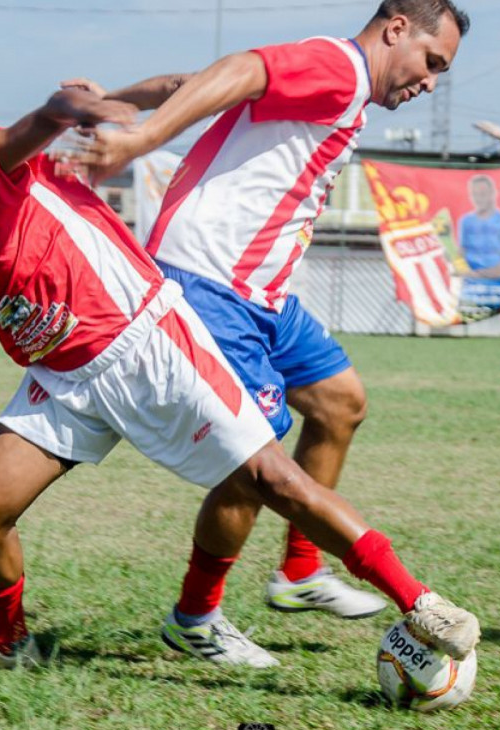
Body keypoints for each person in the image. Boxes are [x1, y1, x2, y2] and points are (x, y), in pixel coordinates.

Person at [0, 84, 480, 670]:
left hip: (147, 341)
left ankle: (421, 603)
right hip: (64, 379)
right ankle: (9, 647)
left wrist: (84, 105)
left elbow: (45, 116)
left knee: (272, 480)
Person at [77, 0, 471, 663]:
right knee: (254, 463)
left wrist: (111, 100)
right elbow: (239, 67)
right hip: (211, 283)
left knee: (340, 403)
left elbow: (192, 84)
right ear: (396, 28)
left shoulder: (339, 89)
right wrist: (140, 140)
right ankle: (194, 617)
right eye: (432, 62)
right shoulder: (341, 68)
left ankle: (297, 573)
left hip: (262, 294)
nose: (431, 80)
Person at [458, 175, 500, 314]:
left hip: (494, 290)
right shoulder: (466, 221)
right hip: (469, 291)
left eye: (483, 194)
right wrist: (461, 270)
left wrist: (482, 274)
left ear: (494, 194)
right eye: (474, 194)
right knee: (468, 320)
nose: (479, 198)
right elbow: (460, 253)